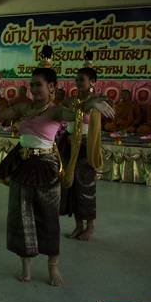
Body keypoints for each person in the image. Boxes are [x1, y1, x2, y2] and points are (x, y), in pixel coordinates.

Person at [0, 49, 113, 286]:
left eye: (39, 85)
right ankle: (26, 267)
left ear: (52, 88)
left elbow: (75, 114)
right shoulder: (23, 108)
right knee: (21, 216)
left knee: (48, 217)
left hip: (46, 166)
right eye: (32, 85)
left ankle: (53, 267)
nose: (34, 89)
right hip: (21, 164)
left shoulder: (56, 111)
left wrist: (90, 103)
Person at [57, 60, 104, 242]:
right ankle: (78, 225)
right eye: (76, 79)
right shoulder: (70, 100)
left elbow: (95, 127)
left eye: (81, 79)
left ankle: (90, 226)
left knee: (85, 187)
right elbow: (62, 117)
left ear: (92, 82)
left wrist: (80, 138)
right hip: (69, 145)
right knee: (71, 185)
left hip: (85, 147)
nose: (77, 82)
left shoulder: (97, 102)